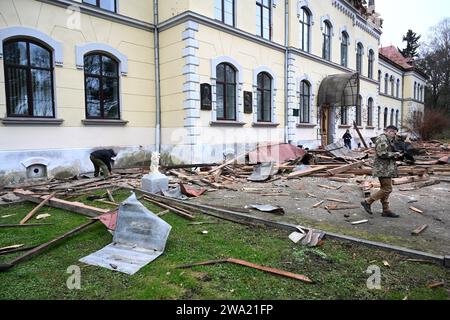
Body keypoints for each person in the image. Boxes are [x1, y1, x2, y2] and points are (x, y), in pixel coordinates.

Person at [360, 126, 403, 218]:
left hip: (386, 167)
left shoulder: (388, 139)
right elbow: (382, 153)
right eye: (394, 133)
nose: (395, 135)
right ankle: (367, 202)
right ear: (389, 131)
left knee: (385, 189)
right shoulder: (382, 139)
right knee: (387, 189)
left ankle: (386, 210)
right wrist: (395, 154)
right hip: (383, 168)